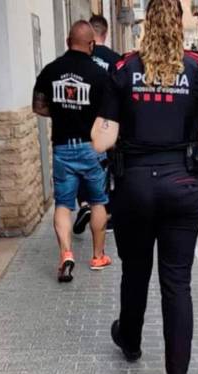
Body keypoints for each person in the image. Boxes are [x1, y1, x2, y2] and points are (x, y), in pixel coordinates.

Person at [91, 0, 198, 374]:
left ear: (146, 23)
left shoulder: (124, 70)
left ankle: (130, 341)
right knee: (177, 281)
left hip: (135, 188)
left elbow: (102, 140)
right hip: (182, 185)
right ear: (180, 23)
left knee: (136, 270)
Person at [33, 21, 112, 282]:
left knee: (64, 205)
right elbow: (108, 115)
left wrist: (61, 111)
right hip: (91, 148)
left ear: (68, 42)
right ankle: (98, 255)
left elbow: (39, 107)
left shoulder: (50, 70)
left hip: (62, 148)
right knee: (99, 201)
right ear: (91, 44)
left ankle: (66, 254)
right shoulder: (100, 74)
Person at [74, 14, 122, 235]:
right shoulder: (116, 60)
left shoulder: (78, 58)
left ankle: (84, 205)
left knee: (81, 167)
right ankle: (106, 213)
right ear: (106, 33)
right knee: (107, 168)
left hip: (79, 124)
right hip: (106, 125)